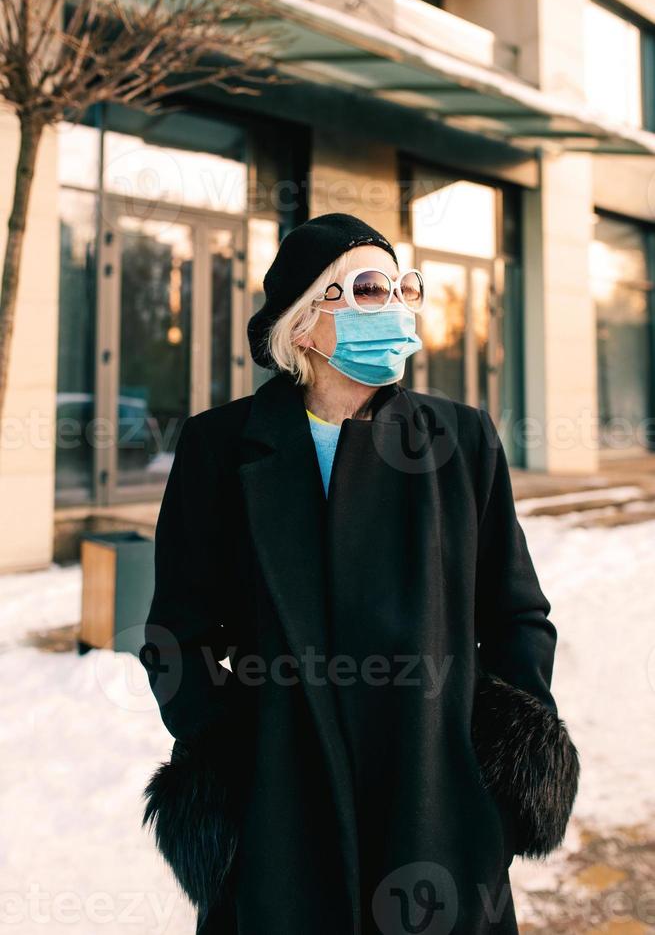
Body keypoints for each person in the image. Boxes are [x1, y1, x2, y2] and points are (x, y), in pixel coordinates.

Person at [139, 212, 580, 935]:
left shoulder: (460, 438)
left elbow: (515, 616)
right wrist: (234, 762)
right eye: (369, 289)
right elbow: (174, 635)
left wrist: (493, 781)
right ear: (302, 325)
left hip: (436, 814)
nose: (398, 305)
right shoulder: (220, 447)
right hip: (281, 823)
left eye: (404, 286)